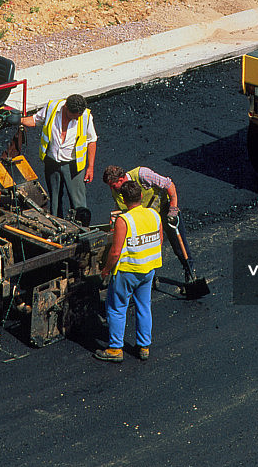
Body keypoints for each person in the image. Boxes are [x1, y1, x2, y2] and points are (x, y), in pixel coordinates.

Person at [95, 180, 162, 362]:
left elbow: (115, 252)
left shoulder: (123, 221)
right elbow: (160, 240)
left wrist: (105, 271)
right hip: (148, 270)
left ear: (123, 200)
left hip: (127, 271)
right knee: (144, 306)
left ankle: (116, 349)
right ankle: (144, 346)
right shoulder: (154, 215)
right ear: (141, 196)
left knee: (117, 308)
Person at [103, 164, 194, 289]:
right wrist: (113, 221)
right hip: (146, 219)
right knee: (147, 248)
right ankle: (149, 278)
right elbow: (119, 206)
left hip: (164, 210)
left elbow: (169, 185)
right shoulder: (117, 190)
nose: (112, 189)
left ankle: (189, 271)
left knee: (178, 244)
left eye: (113, 185)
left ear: (121, 179)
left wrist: (173, 209)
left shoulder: (142, 174)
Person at [21, 94, 97, 218]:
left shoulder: (85, 117)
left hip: (73, 166)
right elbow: (35, 120)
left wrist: (91, 167)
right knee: (55, 200)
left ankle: (82, 229)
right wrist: (19, 120)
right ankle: (57, 225)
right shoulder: (52, 108)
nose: (77, 119)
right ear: (66, 108)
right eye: (74, 116)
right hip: (52, 163)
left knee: (78, 203)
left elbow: (92, 140)